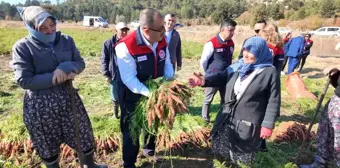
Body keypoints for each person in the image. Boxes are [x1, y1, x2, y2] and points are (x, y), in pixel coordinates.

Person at [11, 6, 107, 168]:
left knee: (83, 134)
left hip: (68, 96)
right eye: (43, 27)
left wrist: (67, 67)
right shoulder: (22, 47)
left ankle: (90, 165)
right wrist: (54, 77)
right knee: (47, 144)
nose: (49, 30)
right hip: (41, 104)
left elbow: (80, 63)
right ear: (31, 28)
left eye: (52, 25)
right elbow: (24, 80)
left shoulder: (66, 40)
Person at [189, 36, 280, 167]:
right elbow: (222, 77)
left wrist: (267, 125)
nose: (247, 54)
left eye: (251, 51)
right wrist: (204, 81)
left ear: (260, 52)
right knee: (221, 152)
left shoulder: (269, 72)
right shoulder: (238, 65)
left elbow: (274, 100)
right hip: (227, 118)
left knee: (241, 158)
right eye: (245, 50)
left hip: (248, 122)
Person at [115, 8, 174, 168]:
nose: (165, 30)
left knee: (152, 121)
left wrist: (169, 81)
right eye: (161, 28)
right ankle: (129, 162)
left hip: (155, 88)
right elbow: (129, 78)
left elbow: (167, 62)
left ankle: (149, 150)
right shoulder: (125, 46)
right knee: (131, 129)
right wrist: (151, 94)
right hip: (131, 93)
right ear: (146, 30)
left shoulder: (162, 39)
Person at [300, 67, 340, 168]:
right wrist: (335, 75)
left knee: (338, 138)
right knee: (325, 131)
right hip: (336, 100)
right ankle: (320, 162)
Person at [199, 19, 236, 122]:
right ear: (222, 29)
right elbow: (203, 61)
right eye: (230, 30)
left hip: (226, 76)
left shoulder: (231, 43)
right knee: (208, 99)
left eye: (233, 30)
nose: (232, 33)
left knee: (225, 99)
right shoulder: (211, 44)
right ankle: (205, 118)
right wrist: (207, 74)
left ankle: (222, 118)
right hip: (213, 77)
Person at [100, 22, 129, 118]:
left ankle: (125, 113)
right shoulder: (108, 43)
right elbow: (104, 59)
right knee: (114, 94)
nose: (124, 33)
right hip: (114, 73)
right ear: (116, 31)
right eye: (122, 31)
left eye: (126, 30)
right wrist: (106, 74)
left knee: (126, 94)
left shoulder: (129, 43)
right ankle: (116, 114)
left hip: (127, 73)